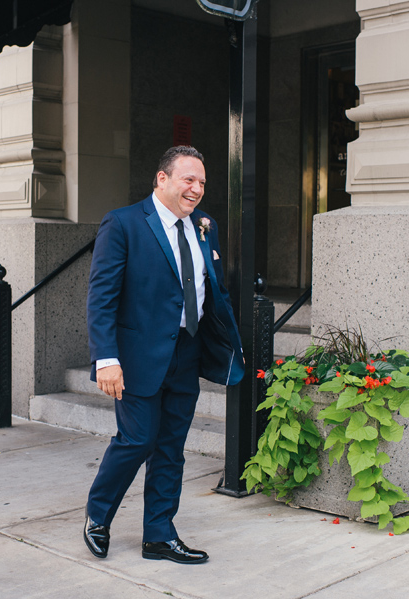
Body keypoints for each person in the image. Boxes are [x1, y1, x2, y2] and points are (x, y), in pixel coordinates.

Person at [83, 145, 244, 565]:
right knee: (137, 440)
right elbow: (101, 297)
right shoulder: (123, 224)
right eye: (188, 179)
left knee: (171, 448)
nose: (196, 189)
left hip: (186, 352)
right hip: (136, 357)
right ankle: (98, 516)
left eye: (202, 182)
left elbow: (212, 289)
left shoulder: (204, 227)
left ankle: (159, 534)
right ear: (162, 179)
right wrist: (106, 358)